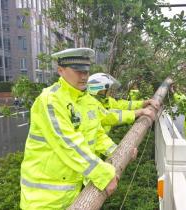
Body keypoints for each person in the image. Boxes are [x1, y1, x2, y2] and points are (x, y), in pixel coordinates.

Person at [20, 48, 119, 209]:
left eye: (86, 71)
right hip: (43, 200)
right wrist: (103, 174)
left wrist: (117, 151)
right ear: (61, 71)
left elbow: (97, 134)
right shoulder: (50, 100)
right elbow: (68, 144)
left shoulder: (85, 99)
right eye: (78, 71)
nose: (84, 76)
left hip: (71, 193)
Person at [87, 73, 159, 132]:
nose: (109, 91)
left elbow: (124, 104)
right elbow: (112, 116)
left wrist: (145, 102)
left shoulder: (106, 100)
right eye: (108, 89)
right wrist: (139, 112)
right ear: (100, 90)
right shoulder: (91, 104)